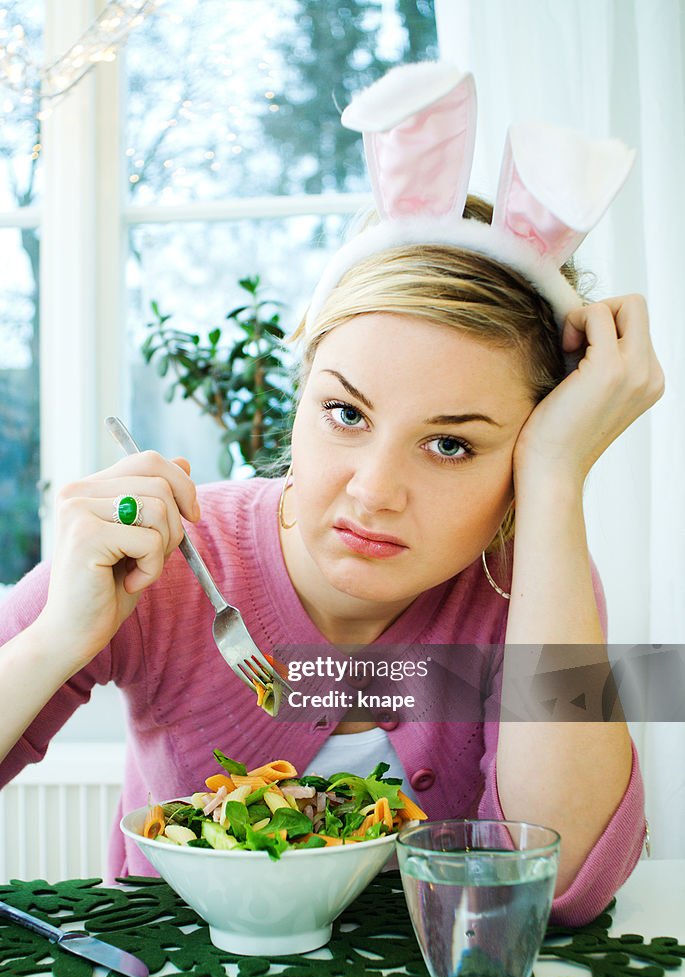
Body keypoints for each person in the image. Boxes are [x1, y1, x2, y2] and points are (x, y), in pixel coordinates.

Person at [0, 63, 664, 925]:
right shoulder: (169, 557)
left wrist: (553, 483)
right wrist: (59, 635)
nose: (375, 491)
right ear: (302, 386)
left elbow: (567, 885)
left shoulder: (531, 588)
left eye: (450, 444)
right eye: (345, 413)